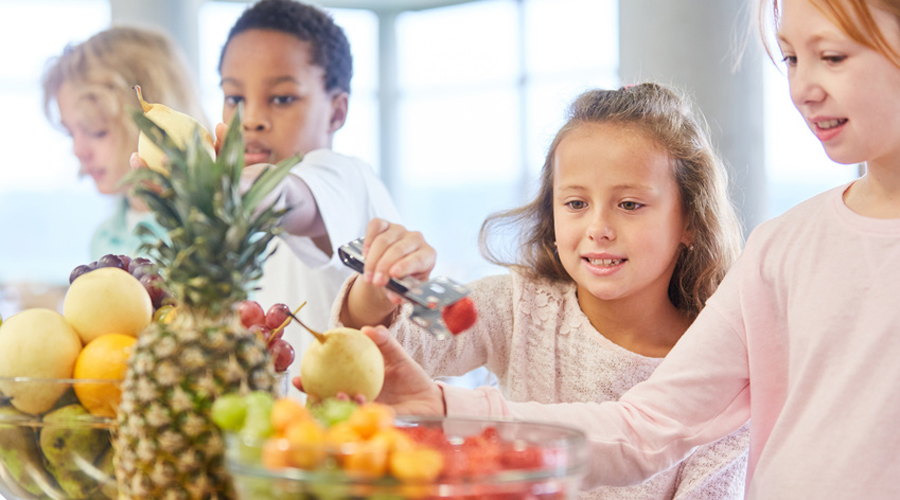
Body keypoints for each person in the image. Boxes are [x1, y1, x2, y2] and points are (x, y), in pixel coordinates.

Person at [342, 0, 900, 498]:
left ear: (690, 220)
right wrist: (431, 391)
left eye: (831, 56)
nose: (803, 88)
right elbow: (642, 429)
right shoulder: (781, 248)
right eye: (791, 59)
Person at [332, 84, 749, 499]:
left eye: (629, 205)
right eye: (575, 204)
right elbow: (381, 360)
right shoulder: (517, 306)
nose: (598, 229)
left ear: (690, 222)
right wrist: (375, 293)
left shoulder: (719, 368)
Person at [215, 0, 400, 383]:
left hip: (344, 436)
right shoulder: (230, 214)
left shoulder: (343, 176)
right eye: (234, 98)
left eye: (281, 98)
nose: (250, 119)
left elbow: (285, 197)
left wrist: (220, 184)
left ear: (336, 111)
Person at [42, 26, 209, 261]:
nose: (78, 151)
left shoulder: (209, 237)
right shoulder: (103, 240)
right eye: (71, 133)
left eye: (96, 131)